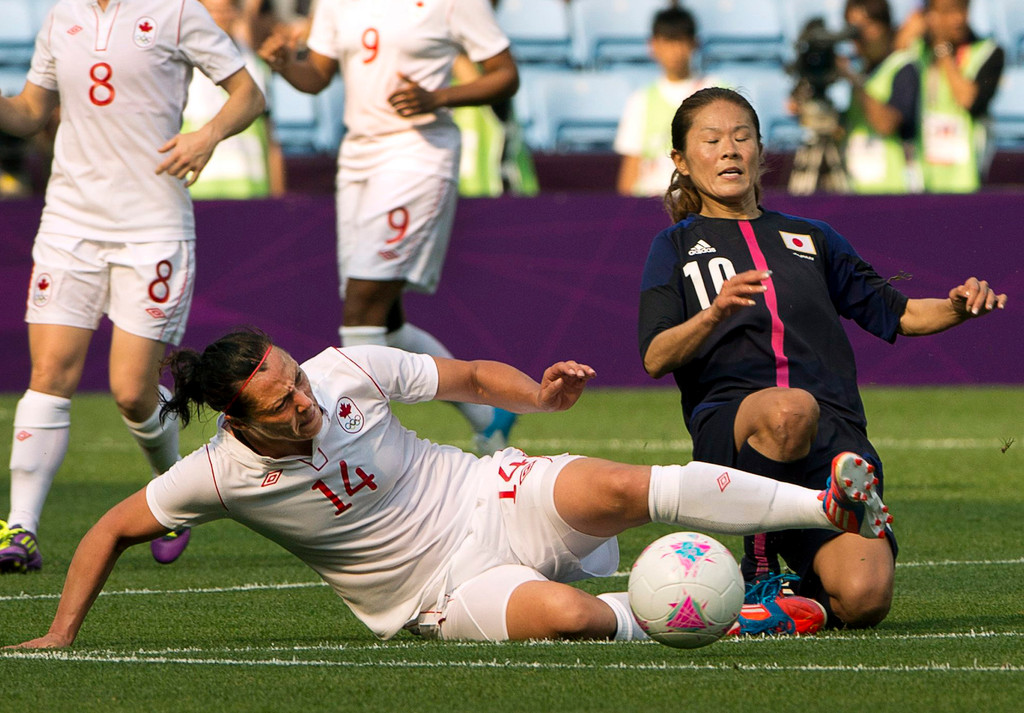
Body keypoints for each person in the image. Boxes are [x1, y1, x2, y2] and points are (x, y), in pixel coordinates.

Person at [6, 328, 892, 648]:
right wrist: (60, 631)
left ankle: (827, 506)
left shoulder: (344, 368)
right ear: (240, 421)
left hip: (486, 489)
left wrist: (538, 397)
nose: (307, 400)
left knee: (622, 484)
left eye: (298, 380)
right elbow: (109, 529)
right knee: (575, 619)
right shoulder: (214, 474)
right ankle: (734, 610)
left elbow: (464, 374)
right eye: (284, 402)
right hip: (441, 589)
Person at [638, 87, 1005, 630]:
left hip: (833, 446)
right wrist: (714, 314)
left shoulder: (812, 237)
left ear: (762, 152)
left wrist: (957, 307)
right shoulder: (674, 246)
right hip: (738, 434)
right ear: (682, 162)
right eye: (711, 140)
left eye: (742, 138)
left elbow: (898, 312)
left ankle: (791, 604)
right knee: (788, 411)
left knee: (865, 600)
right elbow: (655, 356)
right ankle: (759, 568)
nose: (730, 151)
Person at [0, 0, 266, 573]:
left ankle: (171, 494)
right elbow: (27, 112)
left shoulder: (175, 13)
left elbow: (249, 93)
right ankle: (20, 530)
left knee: (131, 392)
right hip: (70, 223)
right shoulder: (61, 16)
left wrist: (208, 135)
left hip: (152, 229)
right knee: (49, 374)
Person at [258, 0, 521, 454]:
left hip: (417, 155)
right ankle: (489, 412)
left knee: (363, 303)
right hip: (358, 157)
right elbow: (317, 76)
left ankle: (360, 448)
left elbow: (505, 75)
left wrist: (438, 97)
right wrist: (286, 64)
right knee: (385, 315)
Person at [183, 0, 287, 199]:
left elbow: (269, 136)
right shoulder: (179, 63)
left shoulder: (255, 64)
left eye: (227, 9)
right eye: (214, 10)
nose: (221, 16)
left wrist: (278, 198)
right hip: (198, 192)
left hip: (251, 191)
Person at [614, 5, 719, 197]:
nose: (675, 51)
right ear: (653, 45)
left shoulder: (717, 93)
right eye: (668, 42)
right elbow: (631, 165)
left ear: (694, 44)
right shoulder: (641, 100)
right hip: (650, 203)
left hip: (701, 202)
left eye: (680, 41)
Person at [910, 0, 1004, 193]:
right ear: (930, 16)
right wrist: (911, 29)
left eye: (963, 9)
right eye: (948, 11)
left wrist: (943, 51)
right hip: (922, 182)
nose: (958, 19)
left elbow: (967, 99)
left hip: (967, 182)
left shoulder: (987, 51)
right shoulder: (917, 51)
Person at [839, 0, 921, 194]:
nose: (859, 36)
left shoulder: (902, 66)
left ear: (883, 25)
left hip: (892, 190)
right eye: (852, 28)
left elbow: (886, 124)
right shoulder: (861, 70)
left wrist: (855, 81)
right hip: (855, 188)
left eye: (864, 27)